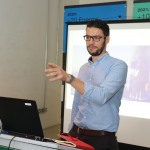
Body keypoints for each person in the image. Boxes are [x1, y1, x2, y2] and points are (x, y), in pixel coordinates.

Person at [45, 19, 128, 150]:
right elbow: (77, 102)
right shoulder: (84, 68)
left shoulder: (118, 66)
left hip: (102, 140)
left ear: (107, 39)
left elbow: (102, 96)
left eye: (96, 38)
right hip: (76, 134)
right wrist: (70, 131)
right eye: (88, 37)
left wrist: (68, 78)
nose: (91, 42)